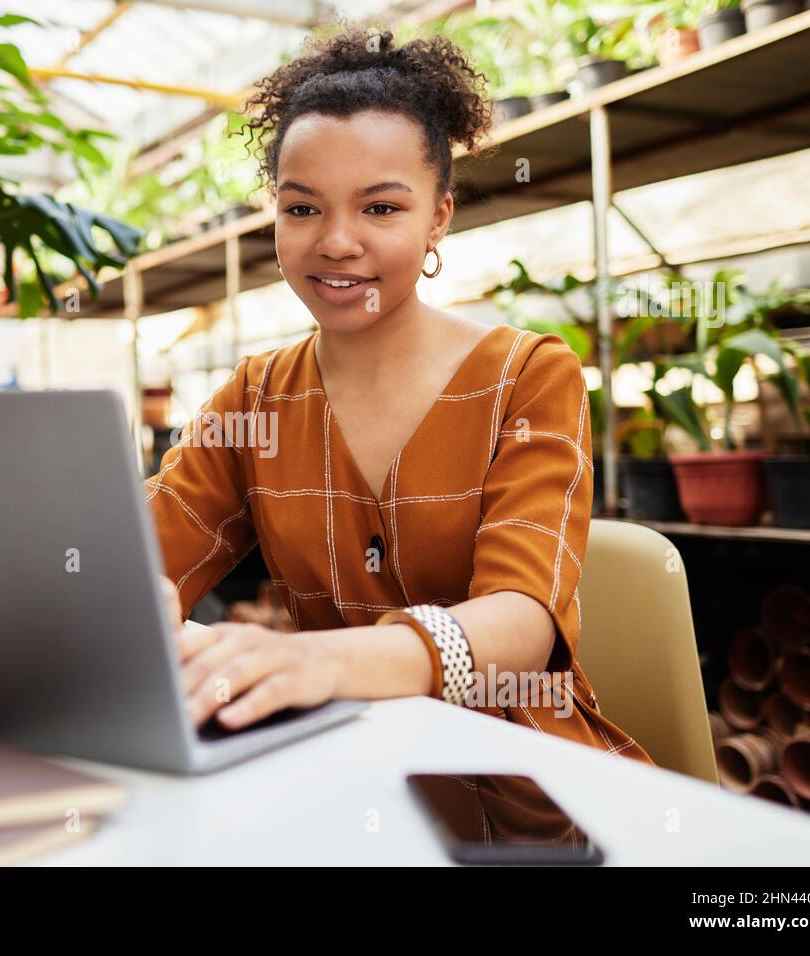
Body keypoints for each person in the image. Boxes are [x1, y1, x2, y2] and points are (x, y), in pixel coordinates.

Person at [146, 25, 654, 766]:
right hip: (337, 762)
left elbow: (523, 625)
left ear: (438, 216)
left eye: (380, 209)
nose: (337, 242)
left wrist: (325, 663)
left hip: (521, 772)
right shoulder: (253, 400)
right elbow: (145, 552)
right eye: (302, 208)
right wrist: (130, 595)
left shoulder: (528, 376)